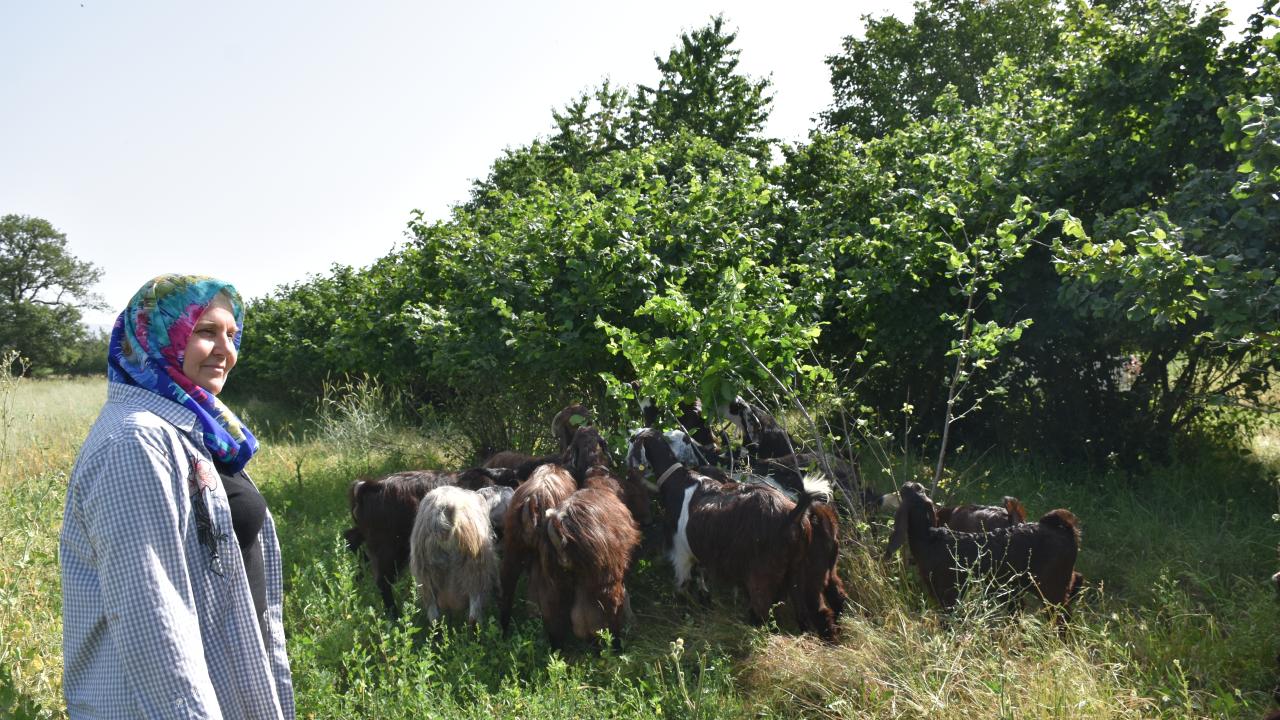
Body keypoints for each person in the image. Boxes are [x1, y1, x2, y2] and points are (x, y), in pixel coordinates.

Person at [60, 274, 294, 719]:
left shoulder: (196, 428)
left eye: (232, 334)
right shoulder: (136, 441)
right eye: (205, 331)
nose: (225, 349)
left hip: (219, 683)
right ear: (158, 336)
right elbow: (153, 617)